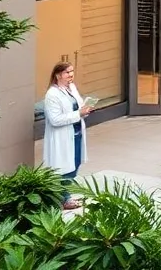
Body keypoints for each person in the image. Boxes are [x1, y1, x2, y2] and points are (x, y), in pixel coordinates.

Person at [43, 62, 92, 210]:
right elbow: (55, 119)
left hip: (76, 134)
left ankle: (65, 196)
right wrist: (78, 114)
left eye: (71, 72)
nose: (70, 75)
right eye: (66, 73)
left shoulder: (72, 88)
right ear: (58, 75)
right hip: (62, 137)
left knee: (74, 164)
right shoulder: (52, 94)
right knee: (64, 169)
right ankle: (64, 199)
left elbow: (78, 105)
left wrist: (85, 109)